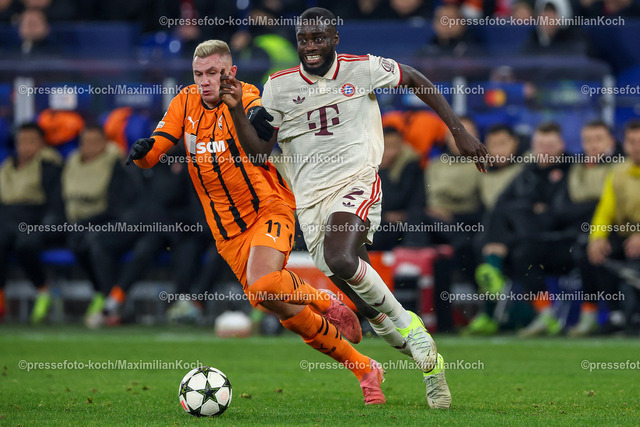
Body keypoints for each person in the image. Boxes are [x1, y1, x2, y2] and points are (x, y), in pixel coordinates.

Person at [248, 7, 489, 408]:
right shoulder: (277, 86)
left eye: (318, 38)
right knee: (370, 310)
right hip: (309, 200)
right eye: (303, 39)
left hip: (356, 181)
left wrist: (458, 130)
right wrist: (240, 114)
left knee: (340, 258)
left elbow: (414, 78)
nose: (310, 46)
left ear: (334, 38)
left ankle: (413, 329)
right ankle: (430, 364)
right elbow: (260, 152)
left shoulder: (361, 68)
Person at [127, 39, 386, 405]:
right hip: (226, 232)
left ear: (230, 72)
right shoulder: (183, 102)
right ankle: (364, 369)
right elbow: (154, 151)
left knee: (264, 282)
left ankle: (324, 300)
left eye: (214, 73)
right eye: (199, 74)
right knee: (280, 306)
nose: (205, 81)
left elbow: (258, 117)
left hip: (268, 208)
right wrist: (142, 153)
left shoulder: (246, 95)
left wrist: (256, 117)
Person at [0, 122, 63, 323]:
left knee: (25, 245)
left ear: (42, 143)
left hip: (35, 219)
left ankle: (43, 290)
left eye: (31, 141)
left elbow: (55, 203)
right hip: (6, 218)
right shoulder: (7, 166)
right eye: (22, 141)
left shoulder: (49, 165)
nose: (26, 146)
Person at [583, 119, 640, 334]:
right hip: (626, 234)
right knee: (592, 251)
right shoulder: (618, 172)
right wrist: (596, 238)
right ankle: (616, 314)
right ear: (625, 144)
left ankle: (636, 315)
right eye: (632, 142)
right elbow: (605, 211)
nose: (637, 147)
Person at [369, 126, 424, 251]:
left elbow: (397, 200)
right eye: (386, 146)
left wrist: (383, 170)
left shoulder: (410, 165)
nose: (390, 152)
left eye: (394, 146)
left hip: (405, 221)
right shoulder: (371, 164)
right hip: (380, 218)